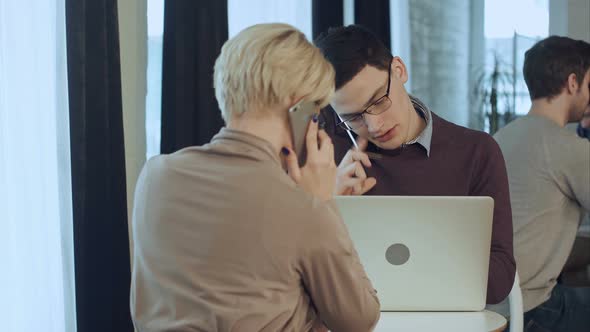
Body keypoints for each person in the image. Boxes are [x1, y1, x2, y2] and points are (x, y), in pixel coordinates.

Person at [130, 23, 380, 332]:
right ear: (300, 107)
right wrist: (324, 203)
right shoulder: (300, 203)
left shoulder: (155, 176)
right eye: (317, 110)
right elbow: (358, 319)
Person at [314, 25, 515, 304]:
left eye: (379, 101)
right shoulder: (325, 158)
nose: (374, 125)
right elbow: (302, 280)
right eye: (354, 118)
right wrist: (328, 206)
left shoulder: (476, 152)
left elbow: (500, 279)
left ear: (399, 70)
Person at [494, 36, 590, 331]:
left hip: (495, 303)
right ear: (573, 83)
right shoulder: (566, 146)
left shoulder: (500, 137)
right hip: (532, 309)